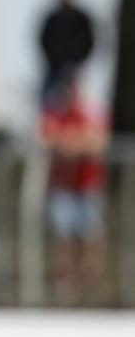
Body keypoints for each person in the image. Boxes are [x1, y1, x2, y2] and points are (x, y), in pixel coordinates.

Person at [41, 81, 108, 304]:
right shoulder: (56, 115)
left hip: (87, 188)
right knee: (63, 240)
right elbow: (49, 138)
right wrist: (70, 142)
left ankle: (90, 288)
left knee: (90, 239)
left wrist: (74, 143)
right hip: (63, 189)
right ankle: (65, 287)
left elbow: (97, 140)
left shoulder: (88, 114)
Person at [39, 0, 94, 108]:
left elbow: (89, 40)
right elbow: (44, 40)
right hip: (54, 68)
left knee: (77, 103)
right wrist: (53, 58)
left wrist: (78, 57)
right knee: (48, 102)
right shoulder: (52, 18)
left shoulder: (81, 18)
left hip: (75, 67)